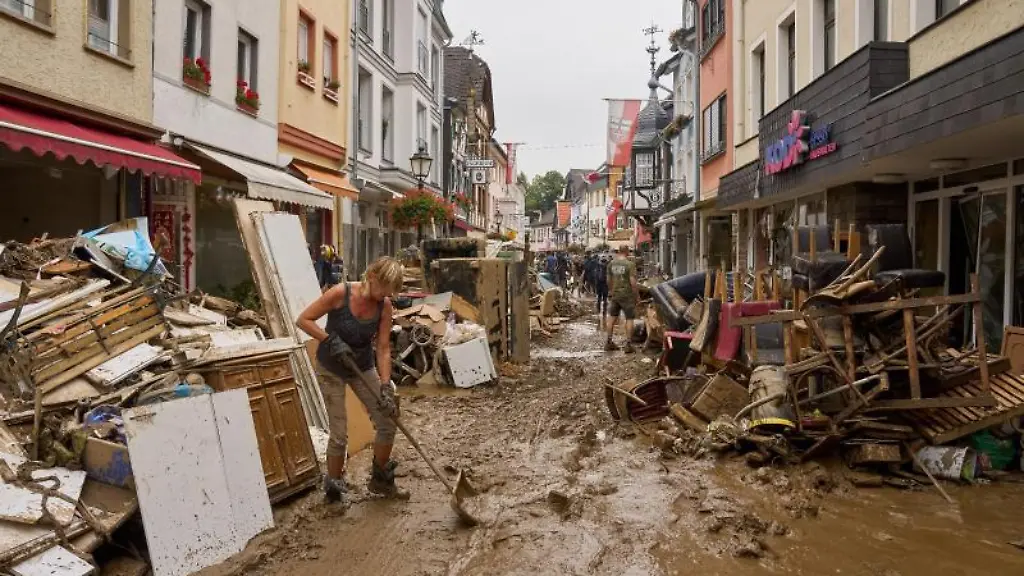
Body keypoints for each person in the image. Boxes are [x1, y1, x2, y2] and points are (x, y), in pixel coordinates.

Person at [296, 257, 406, 504]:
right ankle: (333, 492)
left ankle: (380, 481)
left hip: (362, 366)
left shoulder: (384, 306)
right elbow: (303, 320)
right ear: (372, 277)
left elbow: (383, 348)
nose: (386, 295)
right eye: (385, 288)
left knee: (388, 419)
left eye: (391, 291)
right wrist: (329, 340)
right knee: (339, 434)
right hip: (331, 367)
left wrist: (386, 385)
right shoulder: (341, 293)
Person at [605, 246, 638, 353]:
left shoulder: (611, 264)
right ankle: (628, 345)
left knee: (612, 318)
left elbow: (608, 280)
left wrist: (611, 291)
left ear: (619, 251)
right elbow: (632, 282)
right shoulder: (630, 264)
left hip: (615, 295)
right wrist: (636, 295)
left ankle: (608, 342)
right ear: (627, 252)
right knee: (629, 318)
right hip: (627, 295)